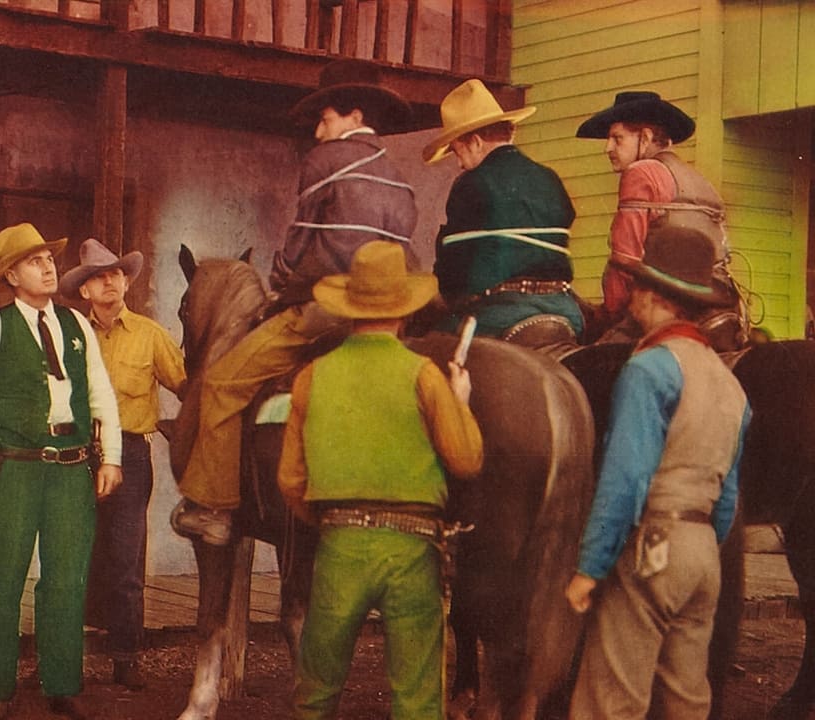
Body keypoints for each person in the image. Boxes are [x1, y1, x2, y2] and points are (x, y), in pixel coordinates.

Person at [173, 58, 418, 545]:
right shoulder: (399, 177)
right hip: (390, 311)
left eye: (324, 119)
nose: (319, 130)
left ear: (353, 116)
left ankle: (214, 508)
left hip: (328, 308)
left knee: (222, 382)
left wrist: (280, 281)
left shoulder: (324, 160)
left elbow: (299, 242)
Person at [277, 240, 482, 720]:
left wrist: (333, 523)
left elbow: (290, 479)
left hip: (340, 545)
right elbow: (467, 460)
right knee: (417, 699)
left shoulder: (310, 376)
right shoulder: (424, 375)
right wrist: (460, 402)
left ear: (349, 310)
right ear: (405, 312)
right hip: (411, 549)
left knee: (314, 693)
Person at [565, 225, 751, 719]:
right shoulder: (728, 383)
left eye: (635, 290)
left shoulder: (648, 368)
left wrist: (590, 568)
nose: (630, 300)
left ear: (652, 295)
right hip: (703, 554)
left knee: (611, 700)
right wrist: (701, 546)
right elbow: (728, 498)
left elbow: (626, 480)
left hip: (655, 547)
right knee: (686, 700)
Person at [0, 223, 122, 720]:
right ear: (11, 275)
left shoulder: (75, 325)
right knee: (5, 578)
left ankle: (62, 683)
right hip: (16, 466)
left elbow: (100, 392)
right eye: (35, 261)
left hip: (72, 466)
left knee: (67, 579)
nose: (48, 267)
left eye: (49, 259)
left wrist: (111, 457)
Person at [60, 238, 186, 691]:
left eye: (115, 274)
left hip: (130, 456)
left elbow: (187, 386)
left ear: (127, 282)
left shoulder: (151, 335)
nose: (109, 282)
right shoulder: (70, 335)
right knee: (67, 557)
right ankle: (60, 660)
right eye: (98, 277)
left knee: (126, 558)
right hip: (76, 455)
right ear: (85, 291)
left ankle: (126, 658)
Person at [576, 90, 744, 349]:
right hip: (720, 305)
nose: (607, 148)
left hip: (666, 305)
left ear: (645, 138)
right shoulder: (700, 180)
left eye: (617, 138)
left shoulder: (641, 172)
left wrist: (610, 315)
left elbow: (625, 259)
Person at [422, 79, 580, 344]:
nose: (459, 164)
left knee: (430, 347)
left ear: (475, 142)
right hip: (566, 311)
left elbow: (453, 272)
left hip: (500, 316)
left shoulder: (472, 183)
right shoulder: (549, 178)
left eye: (458, 152)